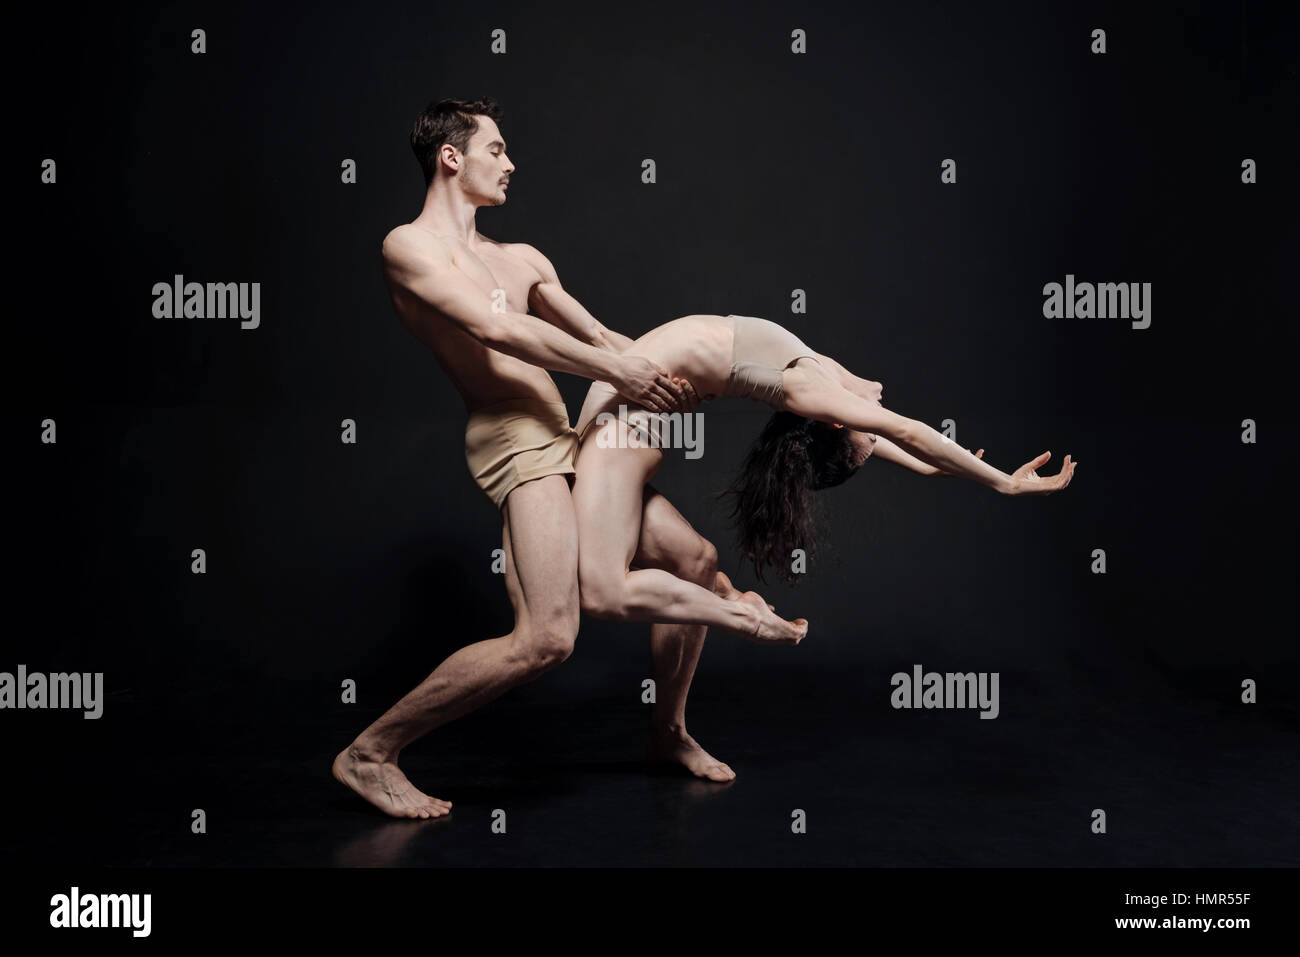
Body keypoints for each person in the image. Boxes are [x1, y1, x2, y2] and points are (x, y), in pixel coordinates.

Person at [332, 98, 770, 820]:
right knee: (547, 639)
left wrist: (732, 373)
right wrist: (617, 371)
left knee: (692, 558)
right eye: (497, 150)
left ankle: (668, 732)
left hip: (566, 436)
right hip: (515, 441)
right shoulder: (408, 247)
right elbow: (495, 329)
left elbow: (606, 336)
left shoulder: (524, 257)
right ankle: (370, 751)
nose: (511, 163)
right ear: (451, 156)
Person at [570, 313, 1077, 626]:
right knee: (608, 587)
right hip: (621, 415)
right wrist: (973, 476)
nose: (874, 423)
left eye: (866, 433)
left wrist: (969, 477)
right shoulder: (815, 383)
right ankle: (738, 613)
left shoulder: (814, 385)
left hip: (629, 419)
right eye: (868, 435)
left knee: (684, 564)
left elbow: (897, 436)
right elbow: (904, 433)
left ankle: (674, 723)